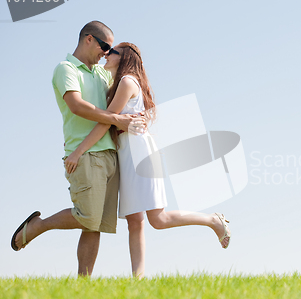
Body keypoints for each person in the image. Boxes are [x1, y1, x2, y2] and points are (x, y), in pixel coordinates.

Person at [63, 42, 231, 279]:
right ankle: (138, 279)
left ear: (124, 58)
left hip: (138, 153)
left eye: (112, 52)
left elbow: (106, 121)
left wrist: (78, 151)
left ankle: (212, 220)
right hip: (127, 151)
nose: (106, 54)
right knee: (135, 220)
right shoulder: (119, 82)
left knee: (158, 219)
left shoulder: (126, 81)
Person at [10, 21, 145, 277]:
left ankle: (82, 284)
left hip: (110, 153)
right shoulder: (66, 69)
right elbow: (77, 106)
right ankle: (38, 226)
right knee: (87, 216)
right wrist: (117, 120)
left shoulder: (102, 73)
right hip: (84, 154)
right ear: (88, 39)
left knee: (94, 226)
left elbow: (126, 90)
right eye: (105, 46)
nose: (106, 52)